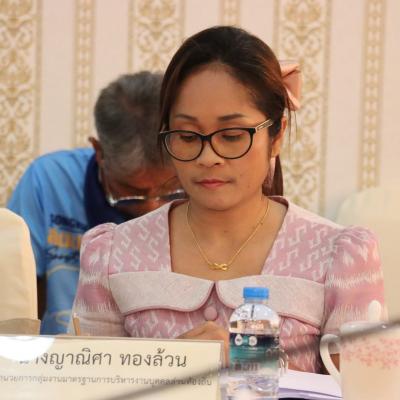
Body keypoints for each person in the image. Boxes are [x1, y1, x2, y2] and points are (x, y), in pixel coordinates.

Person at [71, 27, 385, 372]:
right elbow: (86, 383)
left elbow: (363, 388)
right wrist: (170, 364)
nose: (209, 157)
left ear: (277, 135)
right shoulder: (111, 253)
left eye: (233, 136)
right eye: (188, 136)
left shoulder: (338, 256)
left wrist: (250, 366)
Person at [8, 71, 184, 335]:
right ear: (99, 152)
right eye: (133, 193)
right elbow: (15, 295)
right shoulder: (48, 181)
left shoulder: (202, 186)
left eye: (169, 190)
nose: (151, 207)